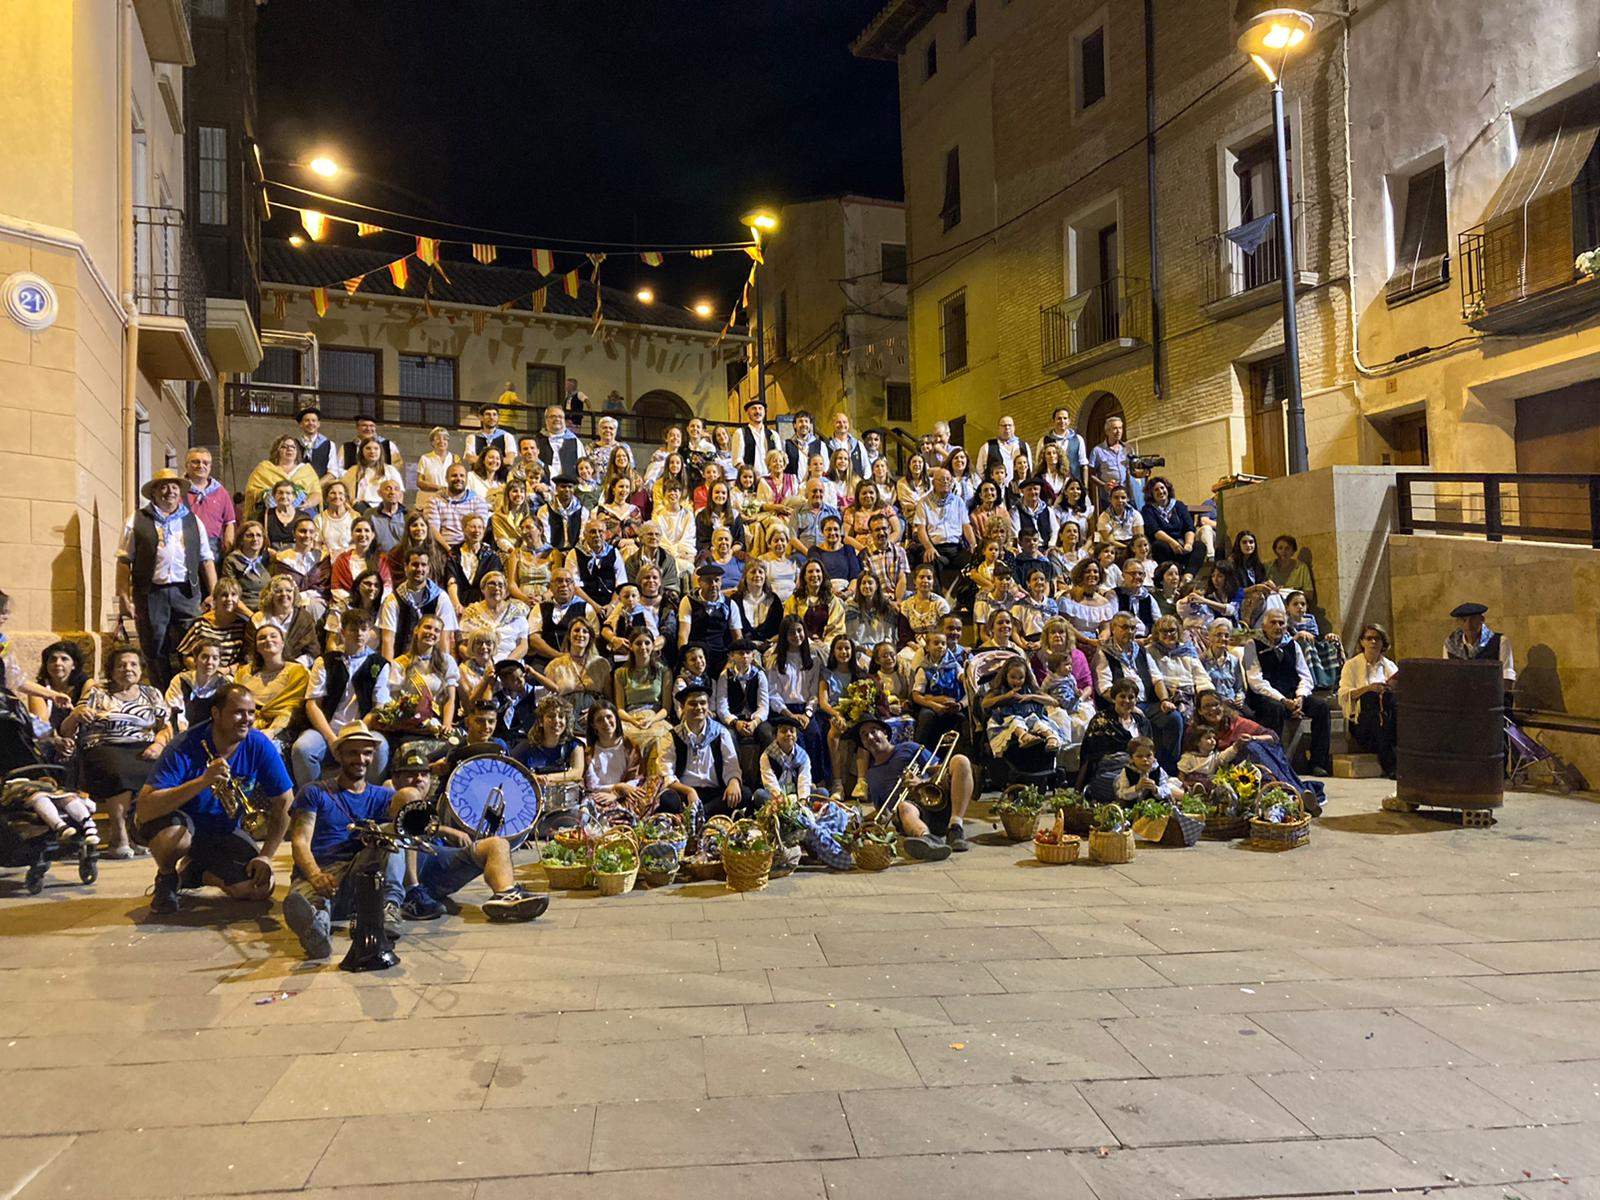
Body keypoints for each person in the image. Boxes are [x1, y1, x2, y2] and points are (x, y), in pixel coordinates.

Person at [135, 682, 294, 914]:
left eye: (251, 713)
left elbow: (285, 802)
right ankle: (167, 877)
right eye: (238, 712)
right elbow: (145, 808)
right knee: (176, 839)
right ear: (216, 714)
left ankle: (197, 872)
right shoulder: (185, 745)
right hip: (177, 825)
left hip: (220, 830)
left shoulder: (258, 744)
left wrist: (267, 856)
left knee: (258, 888)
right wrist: (202, 782)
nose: (246, 719)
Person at [283, 722, 406, 957]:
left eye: (367, 753)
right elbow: (300, 841)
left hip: (358, 874)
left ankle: (389, 906)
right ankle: (317, 927)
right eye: (353, 752)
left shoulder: (383, 796)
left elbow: (406, 829)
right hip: (321, 870)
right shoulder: (313, 792)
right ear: (338, 754)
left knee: (391, 834)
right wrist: (315, 875)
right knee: (310, 902)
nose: (360, 759)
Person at [60, 647, 170, 858]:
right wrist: (76, 715)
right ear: (111, 670)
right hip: (103, 746)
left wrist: (158, 745)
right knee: (118, 769)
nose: (127, 668)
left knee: (159, 770)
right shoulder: (97, 692)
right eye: (121, 665)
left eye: (133, 664)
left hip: (143, 746)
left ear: (140, 669)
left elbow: (166, 727)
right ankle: (119, 836)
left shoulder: (152, 693)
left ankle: (138, 833)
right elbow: (67, 729)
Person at [118, 468, 217, 690]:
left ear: (180, 492)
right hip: (151, 593)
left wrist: (214, 592)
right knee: (154, 647)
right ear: (154, 492)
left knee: (193, 643)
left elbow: (206, 559)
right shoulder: (137, 519)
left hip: (186, 594)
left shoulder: (193, 521)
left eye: (174, 487)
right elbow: (124, 560)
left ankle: (190, 692)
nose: (169, 491)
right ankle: (161, 695)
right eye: (163, 486)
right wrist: (124, 596)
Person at [292, 609, 391, 786]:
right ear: (343, 632)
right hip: (328, 730)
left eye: (363, 629)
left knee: (381, 747)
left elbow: (379, 707)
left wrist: (357, 733)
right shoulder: (325, 661)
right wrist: (332, 739)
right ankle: (310, 801)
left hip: (362, 730)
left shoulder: (380, 664)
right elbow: (312, 705)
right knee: (303, 748)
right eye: (353, 629)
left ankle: (370, 800)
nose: (359, 634)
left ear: (369, 632)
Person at [857, 715, 973, 855]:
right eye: (864, 735)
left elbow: (939, 768)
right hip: (910, 815)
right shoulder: (872, 775)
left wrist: (922, 783)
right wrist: (861, 819)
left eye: (874, 731)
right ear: (863, 743)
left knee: (960, 760)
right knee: (904, 806)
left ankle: (955, 828)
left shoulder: (909, 747)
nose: (870, 737)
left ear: (885, 733)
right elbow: (883, 812)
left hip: (940, 802)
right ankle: (926, 839)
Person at [1244, 608, 1333, 777]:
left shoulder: (1292, 645)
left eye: (1281, 623)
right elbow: (1255, 680)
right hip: (1266, 696)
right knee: (1275, 708)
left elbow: (1306, 675)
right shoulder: (1252, 645)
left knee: (1321, 707)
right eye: (1273, 622)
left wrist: (1300, 696)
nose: (1277, 626)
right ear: (1264, 625)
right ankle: (1274, 763)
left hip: (1292, 694)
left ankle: (1318, 763)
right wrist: (1283, 700)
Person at [1094, 612, 1184, 772]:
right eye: (1125, 627)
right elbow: (1105, 690)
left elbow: (1157, 679)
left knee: (1174, 718)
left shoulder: (1141, 651)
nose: (1129, 631)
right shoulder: (1104, 653)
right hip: (1122, 706)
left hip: (1147, 703)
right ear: (1113, 628)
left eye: (1132, 628)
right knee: (1138, 721)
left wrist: (1164, 700)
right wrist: (1128, 705)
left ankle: (1168, 770)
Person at [664, 682, 741, 818]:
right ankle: (702, 815)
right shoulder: (672, 737)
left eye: (702, 703)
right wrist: (689, 791)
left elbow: (731, 765)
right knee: (666, 799)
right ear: (682, 707)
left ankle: (693, 816)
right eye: (693, 704)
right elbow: (666, 774)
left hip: (714, 793)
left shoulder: (720, 732)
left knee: (743, 793)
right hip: (686, 793)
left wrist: (733, 781)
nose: (699, 708)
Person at [234, 622, 311, 751]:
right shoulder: (244, 672)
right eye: (262, 638)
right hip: (245, 726)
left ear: (282, 643)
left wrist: (272, 731)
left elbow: (291, 708)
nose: (268, 639)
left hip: (282, 730)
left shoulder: (297, 672)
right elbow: (235, 704)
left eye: (273, 636)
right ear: (257, 647)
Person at [1340, 622, 1399, 776]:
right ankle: (1391, 766)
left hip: (1386, 720)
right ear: (1362, 642)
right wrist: (1368, 688)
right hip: (1361, 722)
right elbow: (1344, 694)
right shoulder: (1351, 665)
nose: (1373, 642)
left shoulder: (1389, 666)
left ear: (1383, 642)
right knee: (1371, 697)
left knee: (1389, 702)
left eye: (1377, 639)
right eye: (1369, 638)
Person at [379, 548, 459, 661]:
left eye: (423, 565)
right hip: (401, 662)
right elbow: (388, 639)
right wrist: (389, 670)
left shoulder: (441, 598)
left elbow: (444, 639)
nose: (419, 569)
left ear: (428, 568)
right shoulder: (393, 600)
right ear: (406, 567)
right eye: (415, 564)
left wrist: (442, 670)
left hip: (432, 664)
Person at [715, 636, 771, 782]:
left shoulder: (759, 675)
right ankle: (736, 778)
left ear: (753, 655)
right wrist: (735, 722)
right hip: (735, 719)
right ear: (732, 656)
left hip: (753, 718)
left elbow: (763, 705)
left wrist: (755, 722)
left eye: (748, 652)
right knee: (728, 736)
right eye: (740, 653)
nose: (744, 656)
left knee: (767, 734)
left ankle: (763, 778)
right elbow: (722, 707)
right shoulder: (725, 676)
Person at [678, 562, 745, 677]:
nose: (713, 584)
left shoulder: (730, 604)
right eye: (709, 580)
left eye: (717, 580)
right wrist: (686, 661)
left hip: (721, 656)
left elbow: (737, 637)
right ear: (700, 582)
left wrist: (732, 662)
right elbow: (683, 635)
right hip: (697, 656)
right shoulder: (688, 601)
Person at [1444, 601, 1516, 704]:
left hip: (1492, 702)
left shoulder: (1500, 641)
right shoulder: (1450, 645)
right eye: (1464, 620)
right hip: (1462, 703)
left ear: (1482, 619)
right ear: (1459, 623)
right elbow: (1449, 677)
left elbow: (1507, 678)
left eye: (1473, 619)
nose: (1468, 625)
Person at [914, 468, 973, 589]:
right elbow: (921, 529)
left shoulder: (958, 501)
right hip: (937, 548)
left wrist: (973, 544)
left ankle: (964, 598)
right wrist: (929, 547)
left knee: (975, 558)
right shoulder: (924, 502)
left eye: (948, 480)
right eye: (941, 480)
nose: (945, 482)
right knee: (931, 559)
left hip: (956, 548)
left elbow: (966, 526)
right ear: (933, 483)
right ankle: (938, 599)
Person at [244, 435, 321, 519]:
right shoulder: (264, 468)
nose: (289, 449)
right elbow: (251, 491)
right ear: (277, 451)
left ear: (297, 452)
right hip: (270, 514)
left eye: (293, 447)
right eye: (284, 447)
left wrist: (308, 503)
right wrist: (265, 495)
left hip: (301, 513)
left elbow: (317, 493)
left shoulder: (306, 470)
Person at [1141, 476, 1201, 573]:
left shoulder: (1179, 505)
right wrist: (1172, 543)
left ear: (1167, 489)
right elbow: (1155, 531)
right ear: (1151, 494)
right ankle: (1171, 573)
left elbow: (1189, 527)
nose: (1160, 491)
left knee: (1199, 546)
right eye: (1156, 490)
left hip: (1182, 543)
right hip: (1165, 545)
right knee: (1159, 546)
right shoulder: (1148, 509)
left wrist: (1188, 544)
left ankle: (1188, 576)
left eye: (1162, 488)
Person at [185, 446, 236, 557]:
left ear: (210, 467)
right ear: (186, 465)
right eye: (195, 462)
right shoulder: (178, 490)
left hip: (213, 546)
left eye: (205, 463)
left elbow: (229, 522)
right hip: (184, 543)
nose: (201, 466)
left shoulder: (221, 492)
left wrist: (229, 547)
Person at [428, 463, 492, 552]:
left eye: (462, 476)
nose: (458, 479)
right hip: (444, 549)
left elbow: (480, 530)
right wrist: (450, 551)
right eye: (454, 476)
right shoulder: (434, 500)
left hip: (470, 548)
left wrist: (465, 551)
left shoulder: (479, 501)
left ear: (466, 479)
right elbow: (433, 531)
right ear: (446, 479)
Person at [1114, 736, 1183, 804]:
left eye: (1148, 755)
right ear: (1131, 758)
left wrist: (1155, 789)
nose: (1145, 759)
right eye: (1139, 756)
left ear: (1154, 755)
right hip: (1132, 809)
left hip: (1155, 809)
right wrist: (1137, 788)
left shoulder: (1158, 770)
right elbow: (1122, 794)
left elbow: (1166, 791)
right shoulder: (1127, 772)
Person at [221, 520, 272, 610]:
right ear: (241, 540)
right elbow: (231, 594)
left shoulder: (267, 558)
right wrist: (252, 616)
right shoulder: (232, 560)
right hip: (244, 609)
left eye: (259, 535)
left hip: (267, 608)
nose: (255, 539)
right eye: (250, 535)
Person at [343, 436, 406, 509]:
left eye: (376, 448)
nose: (372, 451)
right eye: (368, 448)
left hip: (383, 509)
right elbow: (344, 494)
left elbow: (400, 494)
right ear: (362, 451)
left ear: (380, 451)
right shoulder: (353, 470)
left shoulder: (390, 470)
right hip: (359, 509)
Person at [976, 415, 1032, 488]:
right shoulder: (987, 447)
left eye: (1010, 425)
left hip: (1020, 490)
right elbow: (980, 471)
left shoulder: (1024, 446)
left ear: (1014, 427)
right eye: (1004, 425)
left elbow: (1029, 468)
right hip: (996, 492)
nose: (1007, 428)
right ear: (998, 428)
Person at [1037, 406, 1087, 485]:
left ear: (1069, 421)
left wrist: (1085, 487)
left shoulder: (1078, 439)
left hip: (1074, 485)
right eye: (1059, 418)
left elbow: (1083, 465)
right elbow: (1039, 464)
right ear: (1053, 421)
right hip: (1052, 485)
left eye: (1065, 418)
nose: (1062, 421)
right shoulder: (1044, 440)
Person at [535, 402, 586, 479]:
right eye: (553, 416)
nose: (557, 419)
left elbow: (583, 465)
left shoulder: (575, 442)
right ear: (546, 420)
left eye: (560, 417)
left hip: (569, 485)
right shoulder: (537, 441)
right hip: (543, 484)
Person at [465, 401, 515, 471]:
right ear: (481, 417)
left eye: (494, 414)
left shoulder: (507, 436)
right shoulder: (472, 437)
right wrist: (497, 461)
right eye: (488, 414)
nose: (491, 417)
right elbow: (470, 459)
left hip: (500, 479)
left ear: (498, 418)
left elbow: (509, 460)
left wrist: (481, 460)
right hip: (478, 478)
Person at [296, 405, 342, 480]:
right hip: (297, 488)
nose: (310, 423)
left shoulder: (329, 445)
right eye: (307, 420)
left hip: (321, 488)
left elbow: (333, 472)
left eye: (314, 420)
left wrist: (316, 486)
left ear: (318, 424)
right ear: (301, 424)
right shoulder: (294, 444)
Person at [415, 427, 459, 498]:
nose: (441, 441)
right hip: (428, 501)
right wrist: (439, 488)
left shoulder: (455, 459)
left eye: (445, 439)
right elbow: (419, 482)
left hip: (448, 501)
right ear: (432, 442)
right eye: (438, 438)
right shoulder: (425, 458)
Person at [785, 410, 824, 477]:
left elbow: (825, 467)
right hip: (794, 484)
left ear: (810, 425)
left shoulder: (820, 444)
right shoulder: (787, 444)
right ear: (794, 425)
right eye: (800, 421)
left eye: (806, 421)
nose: (804, 424)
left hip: (814, 483)